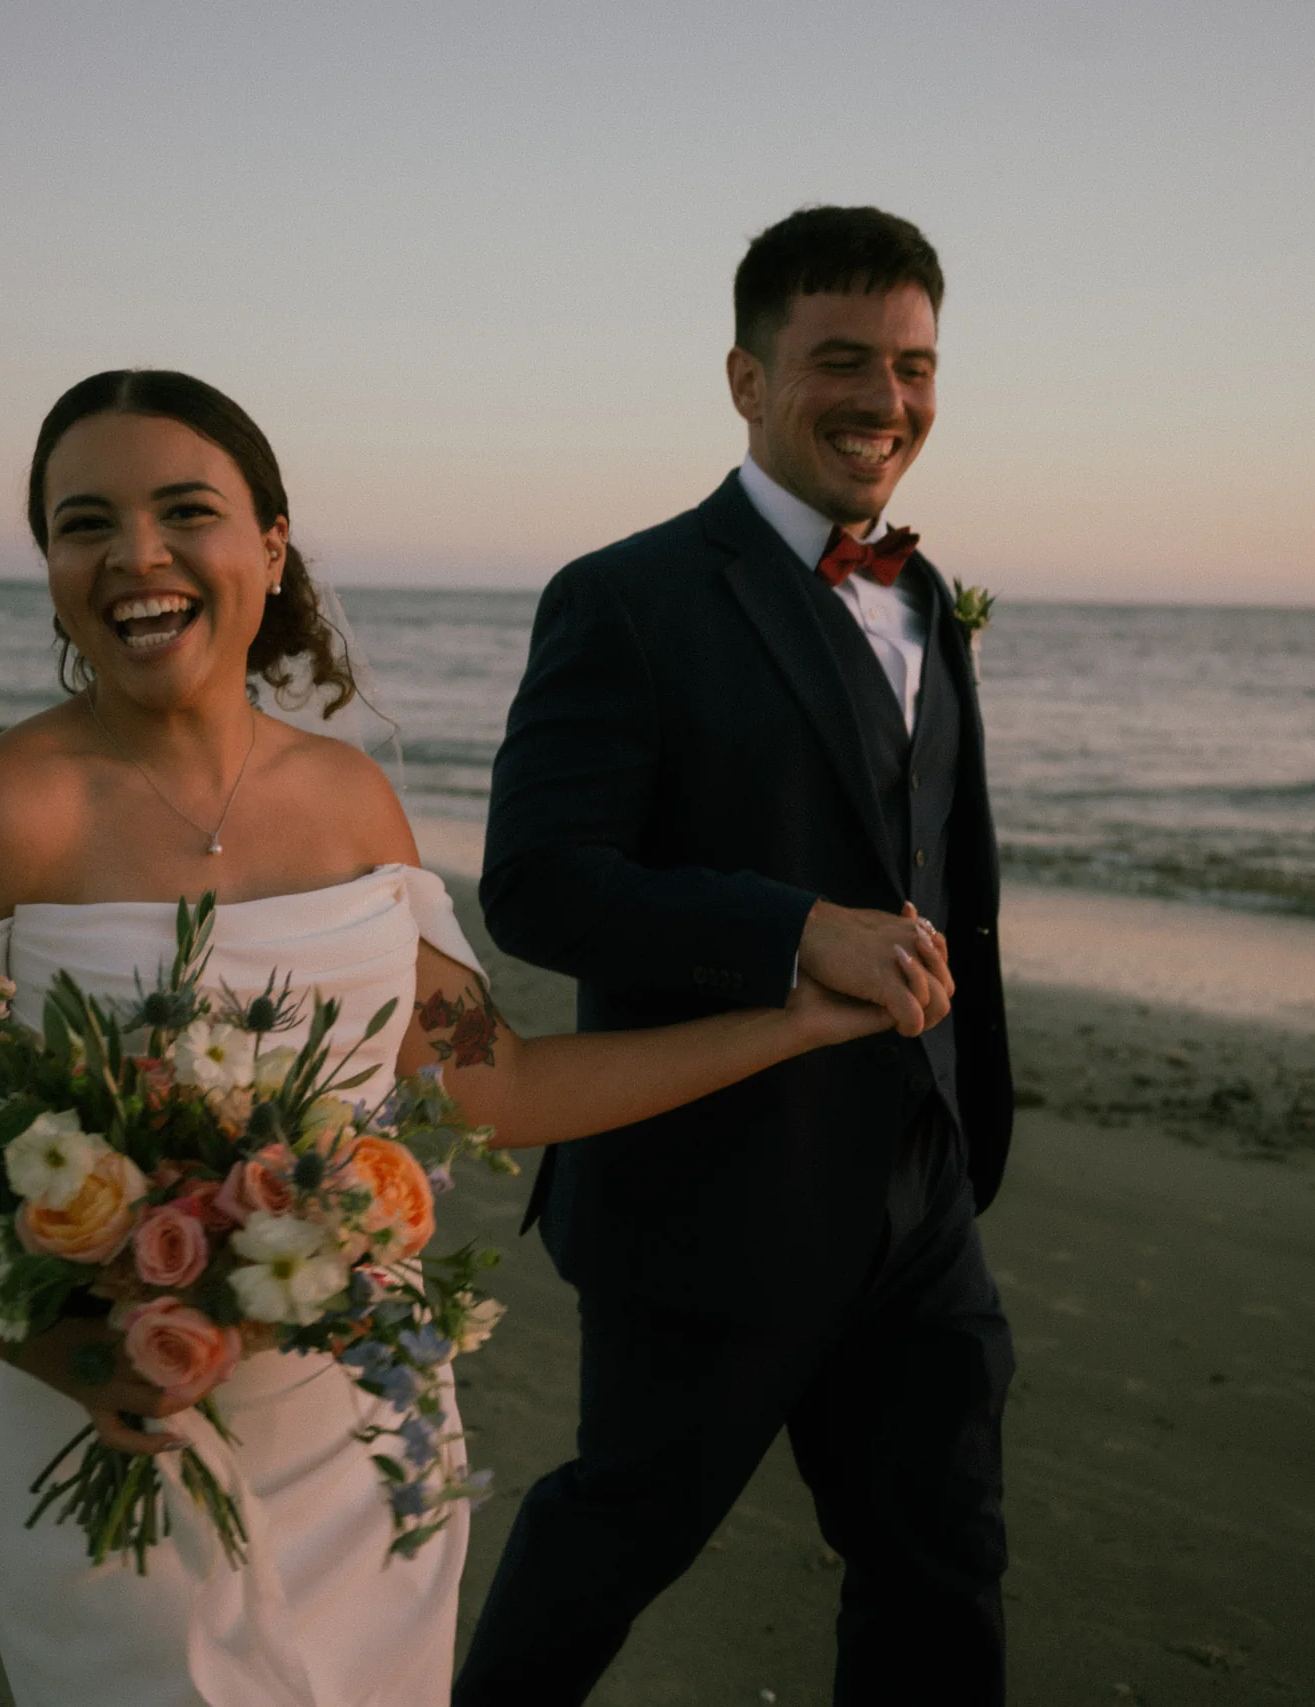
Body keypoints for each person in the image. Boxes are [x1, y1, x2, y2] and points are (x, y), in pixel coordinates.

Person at [0, 367, 919, 1707]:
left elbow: (493, 1085)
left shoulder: (350, 807)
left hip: (362, 1445)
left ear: (271, 548)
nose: (136, 557)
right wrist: (79, 1355)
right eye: (85, 522)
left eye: (185, 511)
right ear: (51, 563)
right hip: (108, 1438)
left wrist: (792, 1019)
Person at [454, 206, 1016, 1705]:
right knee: (615, 1542)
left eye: (914, 365)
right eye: (841, 360)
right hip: (707, 1192)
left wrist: (965, 1115)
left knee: (942, 1560)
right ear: (745, 379)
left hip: (920, 1184)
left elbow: (941, 862)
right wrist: (789, 934)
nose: (886, 401)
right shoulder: (624, 600)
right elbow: (540, 885)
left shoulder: (923, 600)